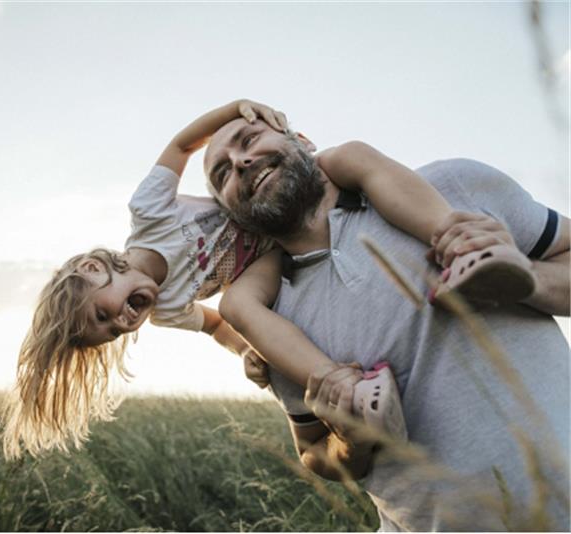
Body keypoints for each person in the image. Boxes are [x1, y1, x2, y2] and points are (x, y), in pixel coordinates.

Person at [0, 100, 534, 462]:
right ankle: (348, 393)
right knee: (238, 306)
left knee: (349, 154)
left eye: (103, 314)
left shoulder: (149, 213)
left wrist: (237, 109)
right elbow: (214, 325)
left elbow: (184, 142)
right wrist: (248, 353)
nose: (123, 322)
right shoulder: (164, 311)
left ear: (95, 270)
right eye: (114, 333)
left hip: (269, 215)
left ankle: (461, 242)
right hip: (266, 249)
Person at [204, 116, 570, 530]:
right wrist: (350, 441)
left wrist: (526, 278)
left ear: (303, 141)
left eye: (249, 139)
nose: (241, 162)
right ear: (233, 213)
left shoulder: (453, 186)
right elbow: (312, 450)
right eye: (223, 173)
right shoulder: (270, 323)